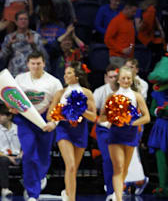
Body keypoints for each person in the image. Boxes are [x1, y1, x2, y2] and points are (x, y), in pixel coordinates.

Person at [14, 52, 62, 201]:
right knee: (28, 153)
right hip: (25, 120)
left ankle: (39, 177)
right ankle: (32, 193)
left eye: (38, 63)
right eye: (33, 63)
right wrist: (12, 107)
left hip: (44, 120)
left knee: (42, 156)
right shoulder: (19, 79)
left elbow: (60, 105)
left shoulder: (54, 82)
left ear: (44, 64)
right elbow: (11, 97)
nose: (35, 66)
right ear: (28, 64)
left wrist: (54, 122)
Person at [47, 62, 97, 201]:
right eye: (65, 73)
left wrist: (80, 110)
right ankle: (71, 199)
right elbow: (49, 115)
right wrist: (63, 112)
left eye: (69, 73)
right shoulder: (60, 93)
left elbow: (93, 117)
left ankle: (68, 194)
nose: (65, 75)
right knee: (71, 165)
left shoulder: (87, 93)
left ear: (77, 76)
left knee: (73, 169)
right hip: (64, 129)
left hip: (80, 130)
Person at [101, 66, 150, 201]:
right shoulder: (112, 96)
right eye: (123, 78)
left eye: (129, 78)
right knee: (119, 167)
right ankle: (118, 197)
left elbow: (147, 117)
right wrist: (112, 120)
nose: (126, 80)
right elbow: (102, 117)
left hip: (131, 134)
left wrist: (131, 122)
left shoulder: (137, 96)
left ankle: (117, 194)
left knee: (125, 169)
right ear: (118, 80)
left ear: (132, 79)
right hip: (115, 134)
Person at [93, 65, 119, 199]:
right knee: (109, 159)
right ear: (105, 78)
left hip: (122, 129)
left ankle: (122, 189)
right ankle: (110, 191)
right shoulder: (99, 92)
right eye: (110, 77)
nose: (113, 79)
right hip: (104, 128)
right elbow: (92, 113)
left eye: (115, 77)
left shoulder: (126, 92)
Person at [0, 10, 47, 76]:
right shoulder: (9, 37)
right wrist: (9, 45)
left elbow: (44, 56)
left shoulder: (35, 36)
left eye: (25, 19)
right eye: (21, 19)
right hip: (14, 72)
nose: (23, 21)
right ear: (16, 22)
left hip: (31, 72)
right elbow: (2, 57)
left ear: (28, 21)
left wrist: (33, 44)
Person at [104, 0, 138, 67]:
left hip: (128, 58)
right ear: (127, 9)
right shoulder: (116, 21)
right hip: (117, 57)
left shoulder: (130, 22)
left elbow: (130, 40)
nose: (134, 14)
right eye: (133, 11)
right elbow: (107, 39)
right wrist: (121, 50)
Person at [0, 105, 21, 198]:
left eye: (1, 115)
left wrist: (21, 154)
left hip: (18, 155)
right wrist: (9, 158)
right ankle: (5, 189)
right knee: (4, 160)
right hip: (3, 155)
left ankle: (29, 187)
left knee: (29, 158)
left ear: (9, 116)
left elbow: (25, 145)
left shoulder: (18, 128)